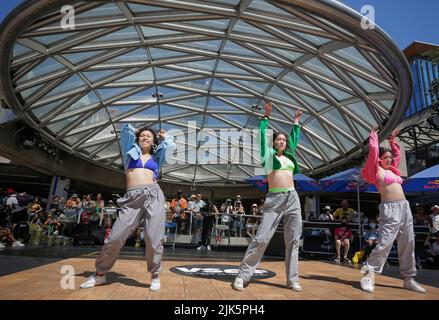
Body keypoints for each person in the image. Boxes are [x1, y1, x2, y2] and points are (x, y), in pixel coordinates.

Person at [80, 124, 175, 291]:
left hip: (154, 195)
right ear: (137, 138)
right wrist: (136, 131)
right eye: (142, 135)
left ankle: (155, 275)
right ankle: (100, 274)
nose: (145, 137)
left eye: (149, 136)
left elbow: (170, 147)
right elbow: (125, 131)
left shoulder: (157, 157)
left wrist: (165, 137)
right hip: (132, 198)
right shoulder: (129, 152)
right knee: (115, 237)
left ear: (154, 142)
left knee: (154, 238)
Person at [233, 102, 303, 292]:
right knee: (262, 238)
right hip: (274, 199)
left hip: (292, 198)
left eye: (283, 139)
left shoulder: (289, 157)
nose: (281, 141)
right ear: (273, 143)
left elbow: (294, 140)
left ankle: (292, 279)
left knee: (293, 240)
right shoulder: (268, 156)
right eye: (278, 139)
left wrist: (296, 122)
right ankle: (243, 275)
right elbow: (262, 140)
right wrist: (265, 118)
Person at [360, 127, 426, 293]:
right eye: (386, 157)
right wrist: (374, 137)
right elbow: (374, 150)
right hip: (390, 209)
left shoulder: (392, 170)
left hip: (404, 207)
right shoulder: (376, 171)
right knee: (385, 243)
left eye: (390, 158)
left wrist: (392, 141)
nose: (389, 160)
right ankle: (368, 273)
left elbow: (397, 155)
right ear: (380, 160)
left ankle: (409, 278)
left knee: (408, 243)